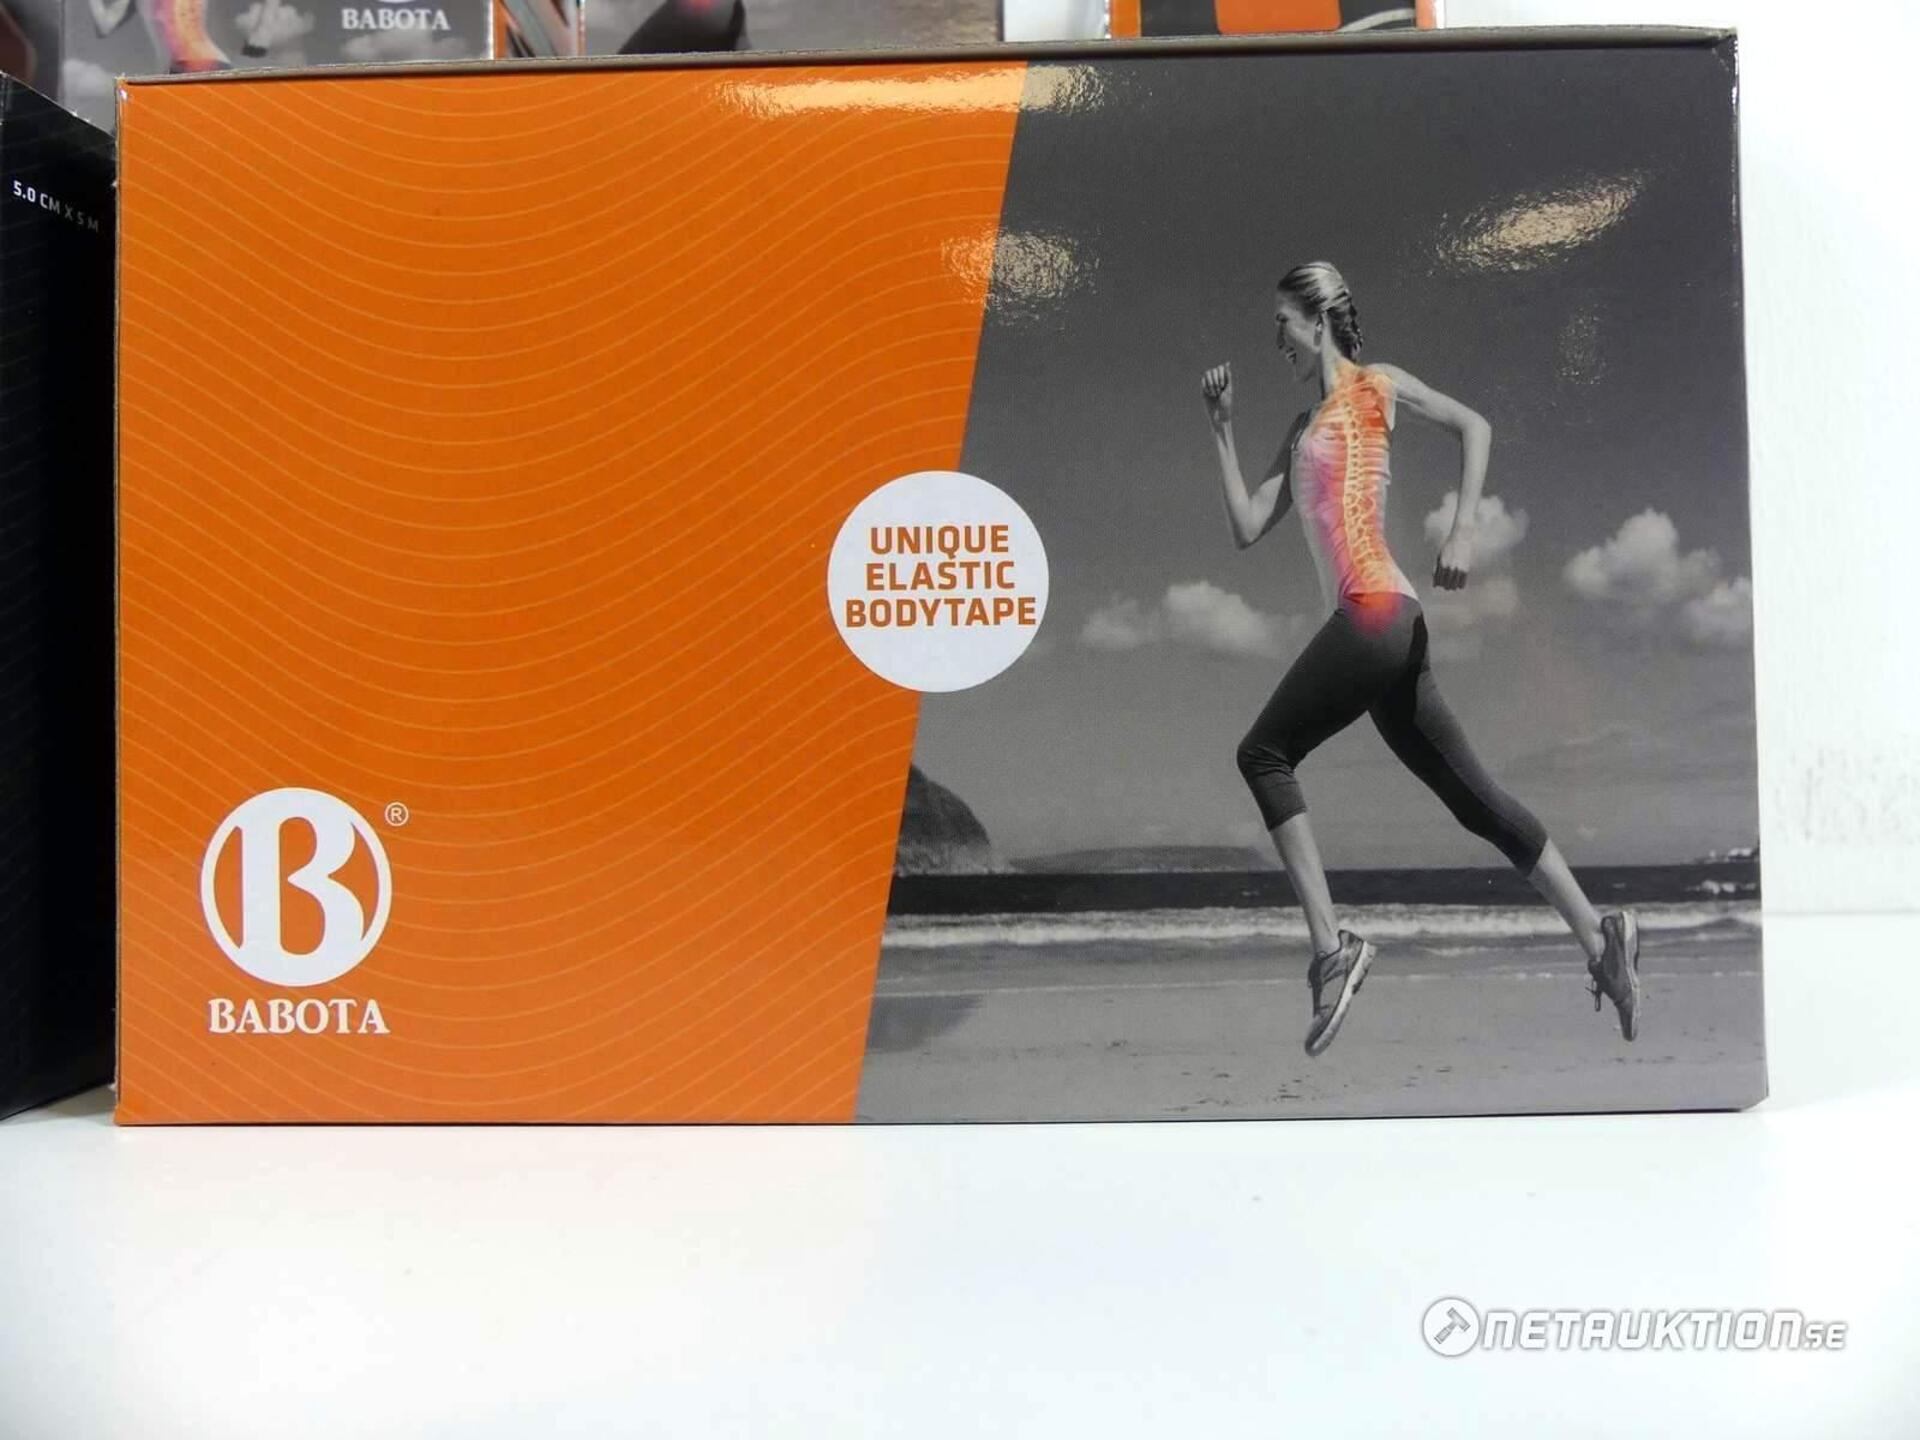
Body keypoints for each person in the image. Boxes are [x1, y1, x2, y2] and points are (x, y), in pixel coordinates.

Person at [1200, 260, 1640, 1057]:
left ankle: (1333, 952)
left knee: (1263, 754)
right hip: (1387, 630)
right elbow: (1245, 526)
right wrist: (1222, 428)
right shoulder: (1298, 431)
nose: (1276, 341)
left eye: (1283, 324)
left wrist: (1464, 528)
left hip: (1376, 610)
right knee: (1476, 802)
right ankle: (1601, 937)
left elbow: (1475, 426)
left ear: (1319, 318)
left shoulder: (1379, 386)